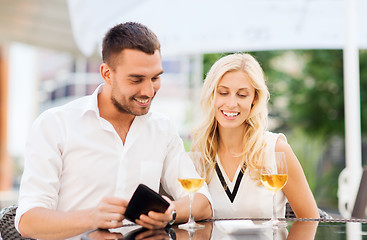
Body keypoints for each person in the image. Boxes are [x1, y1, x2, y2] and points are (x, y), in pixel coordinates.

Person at [15, 22, 212, 239]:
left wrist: (170, 213)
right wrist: (90, 218)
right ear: (107, 74)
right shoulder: (55, 125)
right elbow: (28, 220)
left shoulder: (162, 129)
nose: (148, 91)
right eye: (136, 79)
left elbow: (202, 203)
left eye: (155, 78)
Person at [190, 53, 319, 219]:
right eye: (223, 93)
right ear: (211, 95)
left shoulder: (276, 150)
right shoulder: (199, 154)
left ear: (254, 99)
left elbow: (310, 221)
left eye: (242, 95)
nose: (231, 103)